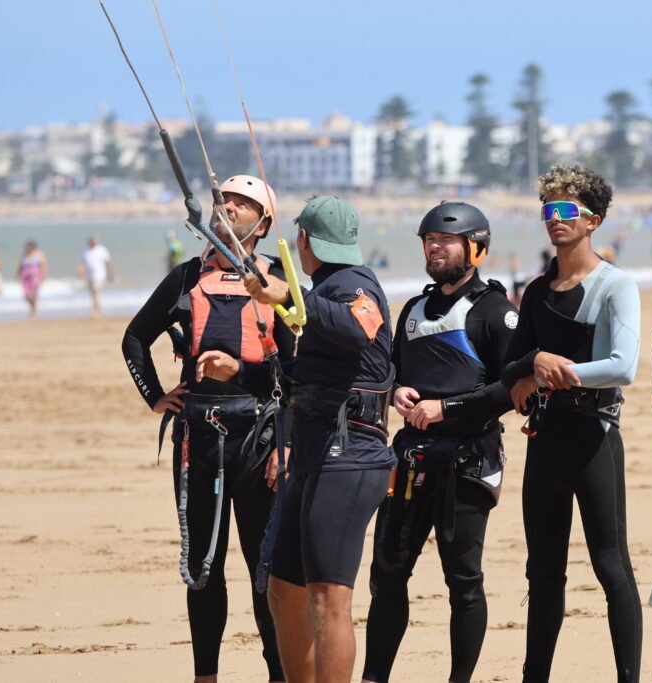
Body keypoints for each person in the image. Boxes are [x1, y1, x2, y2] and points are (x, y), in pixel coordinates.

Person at [121, 175, 293, 683]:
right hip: (199, 442)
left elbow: (301, 372)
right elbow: (134, 339)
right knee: (203, 570)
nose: (228, 208)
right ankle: (206, 677)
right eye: (224, 201)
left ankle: (278, 675)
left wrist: (290, 444)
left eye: (242, 204)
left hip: (261, 442)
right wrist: (155, 397)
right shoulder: (184, 278)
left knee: (265, 575)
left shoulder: (278, 280)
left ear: (262, 224)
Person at [362, 202, 517, 683]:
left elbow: (513, 389)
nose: (434, 246)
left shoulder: (496, 311)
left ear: (477, 248)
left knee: (463, 583)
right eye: (428, 238)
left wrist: (445, 409)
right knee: (386, 577)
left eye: (446, 239)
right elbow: (390, 372)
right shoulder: (411, 310)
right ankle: (374, 677)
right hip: (409, 461)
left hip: (467, 466)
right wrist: (395, 391)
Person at [502, 163, 642, 683]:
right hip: (546, 440)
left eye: (565, 210)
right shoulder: (538, 290)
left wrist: (543, 371)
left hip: (594, 437)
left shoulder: (615, 285)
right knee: (542, 575)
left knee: (611, 567)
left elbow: (621, 367)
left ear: (593, 221)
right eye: (547, 210)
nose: (553, 219)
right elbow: (510, 363)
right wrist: (532, 364)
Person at [245, 195, 394, 683]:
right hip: (311, 452)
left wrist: (287, 295)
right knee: (283, 589)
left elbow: (357, 327)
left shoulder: (356, 284)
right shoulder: (323, 286)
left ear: (303, 241)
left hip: (351, 457)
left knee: (329, 599)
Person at [78, 235, 114, 317]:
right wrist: (80, 273)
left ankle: (95, 311)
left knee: (96, 291)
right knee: (93, 293)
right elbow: (81, 263)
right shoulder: (86, 252)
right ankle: (97, 308)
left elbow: (108, 262)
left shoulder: (102, 250)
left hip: (99, 275)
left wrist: (110, 273)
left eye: (93, 241)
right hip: (89, 276)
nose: (91, 243)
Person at [18, 240, 48, 319]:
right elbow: (20, 266)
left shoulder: (39, 254)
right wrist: (17, 274)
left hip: (35, 277)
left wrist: (44, 276)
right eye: (27, 246)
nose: (28, 248)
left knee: (33, 295)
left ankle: (33, 310)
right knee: (26, 295)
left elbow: (43, 265)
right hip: (25, 277)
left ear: (33, 247)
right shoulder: (24, 255)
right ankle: (32, 308)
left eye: (29, 246)